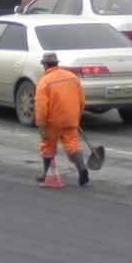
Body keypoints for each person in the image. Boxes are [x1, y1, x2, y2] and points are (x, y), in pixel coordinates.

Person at [33, 52, 88, 187]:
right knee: (72, 144)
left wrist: (41, 124)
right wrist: (77, 116)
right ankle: (82, 168)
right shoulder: (72, 77)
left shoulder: (44, 81)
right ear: (57, 63)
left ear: (45, 65)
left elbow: (41, 105)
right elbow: (81, 100)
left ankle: (48, 175)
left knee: (48, 146)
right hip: (70, 119)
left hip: (53, 121)